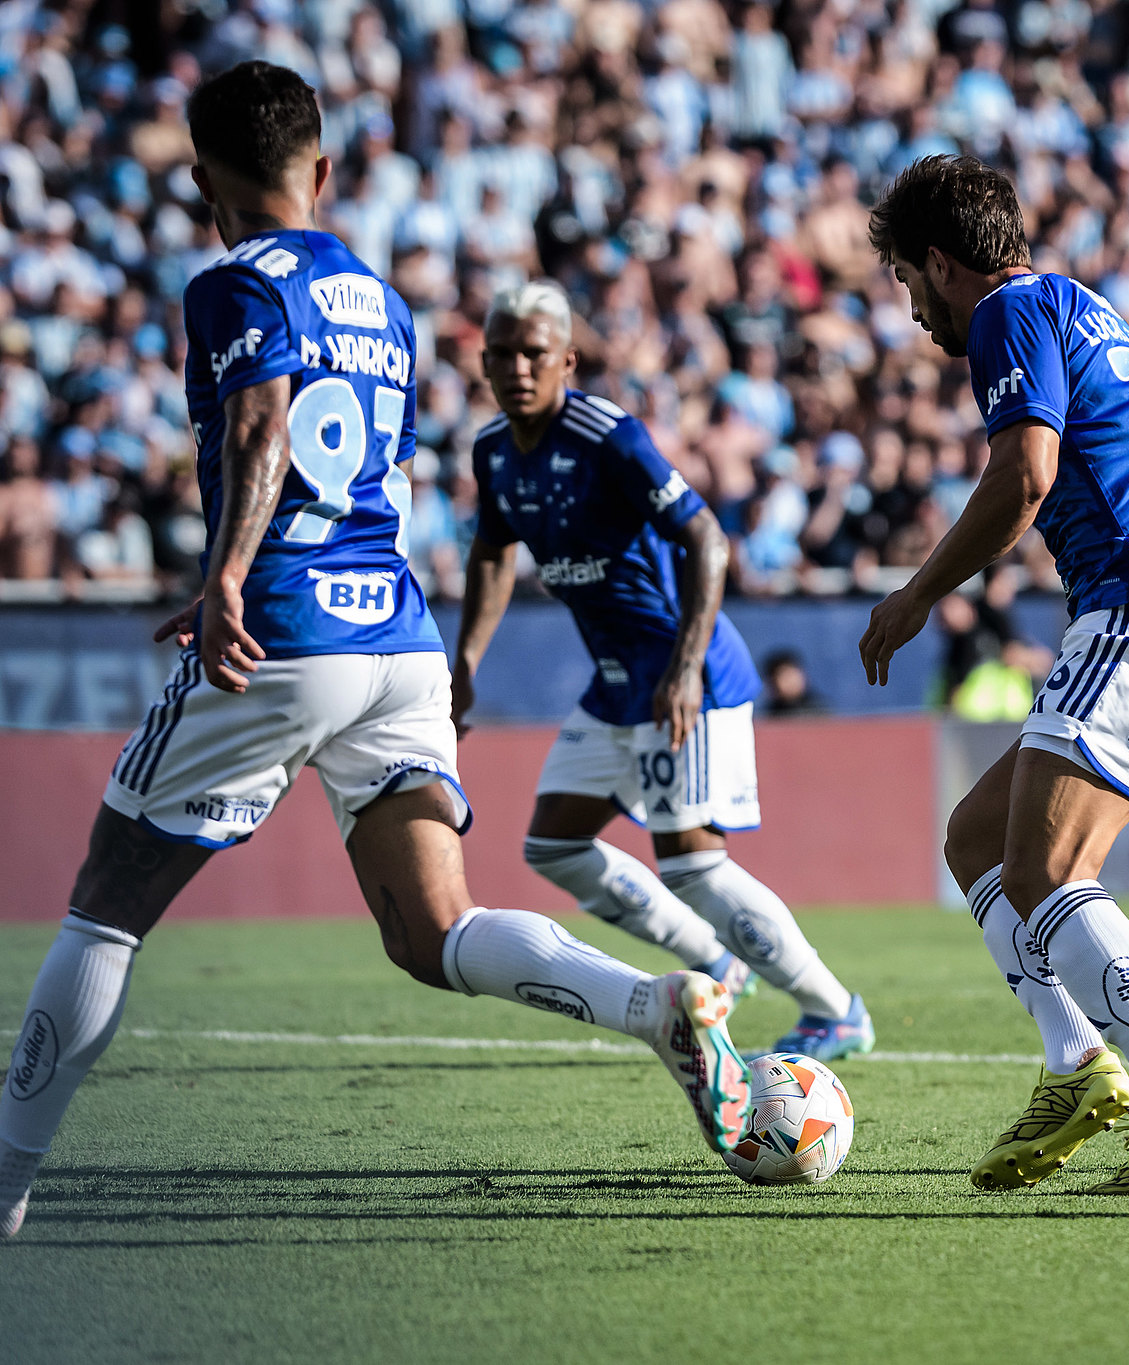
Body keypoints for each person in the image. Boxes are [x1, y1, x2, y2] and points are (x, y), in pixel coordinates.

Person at [0, 64, 750, 1240]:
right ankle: (654, 1005)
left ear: (204, 181)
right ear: (327, 169)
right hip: (393, 638)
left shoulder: (235, 281)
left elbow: (260, 420)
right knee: (432, 932)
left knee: (106, 902)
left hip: (285, 628)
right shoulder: (383, 301)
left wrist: (228, 575)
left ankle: (3, 1181)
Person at [861, 156, 1129, 1195]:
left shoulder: (1012, 313)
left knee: (1048, 871)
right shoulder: (1099, 321)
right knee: (978, 839)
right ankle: (1076, 1064)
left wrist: (918, 593)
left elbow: (1025, 476)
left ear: (938, 261)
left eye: (907, 283)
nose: (914, 311)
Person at [453, 280, 872, 1062]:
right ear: (482, 360)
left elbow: (708, 539)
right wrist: (466, 663)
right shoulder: (493, 453)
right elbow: (488, 552)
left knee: (692, 862)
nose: (516, 367)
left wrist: (684, 667)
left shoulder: (606, 435)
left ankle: (833, 1005)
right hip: (616, 683)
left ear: (567, 360)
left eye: (533, 353)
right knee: (554, 846)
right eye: (501, 353)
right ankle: (714, 961)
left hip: (687, 673)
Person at [760, 649, 829, 716]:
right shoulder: (771, 715)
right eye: (785, 676)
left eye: (792, 674)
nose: (791, 681)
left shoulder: (819, 710)